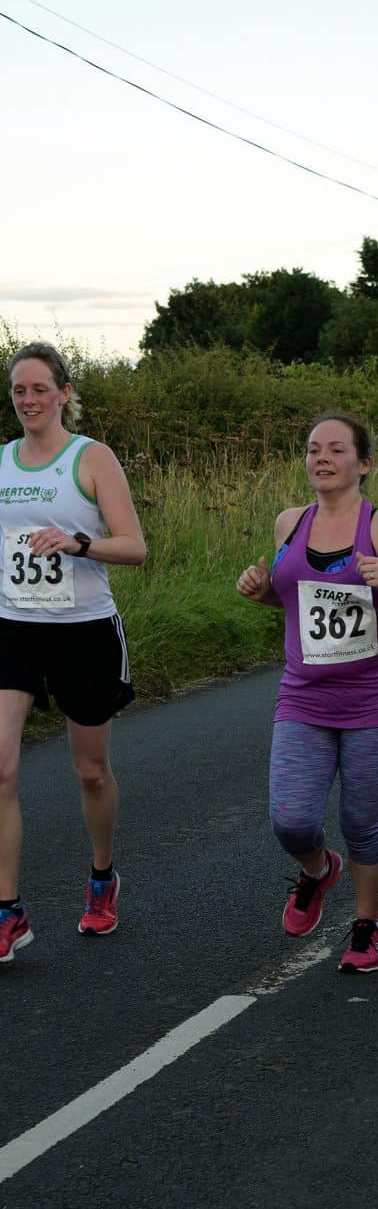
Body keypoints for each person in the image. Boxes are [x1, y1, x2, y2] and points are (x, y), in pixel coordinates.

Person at [237, 412, 378, 973]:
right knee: (291, 820)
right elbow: (295, 601)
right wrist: (259, 592)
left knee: (359, 821)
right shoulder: (289, 523)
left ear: (364, 463)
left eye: (336, 450)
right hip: (304, 698)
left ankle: (366, 922)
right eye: (312, 450)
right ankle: (317, 871)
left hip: (377, 702)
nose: (321, 458)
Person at [0, 342, 146, 964]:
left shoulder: (92, 458)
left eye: (39, 389)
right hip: (12, 628)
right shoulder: (2, 462)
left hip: (84, 630)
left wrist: (79, 543)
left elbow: (135, 546)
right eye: (18, 391)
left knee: (90, 770)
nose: (28, 400)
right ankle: (8, 911)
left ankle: (102, 876)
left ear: (63, 393)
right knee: (0, 768)